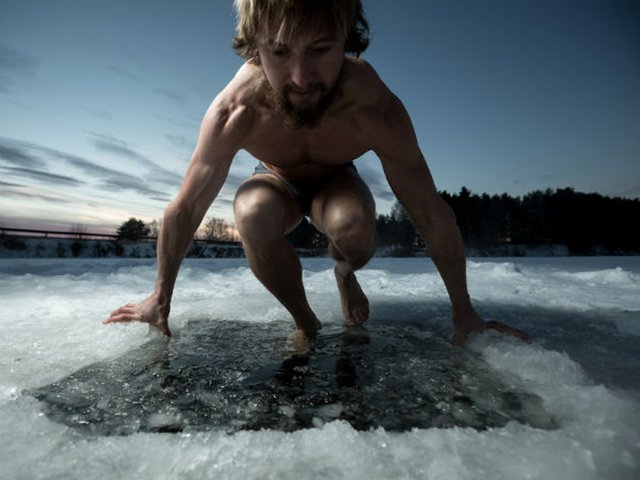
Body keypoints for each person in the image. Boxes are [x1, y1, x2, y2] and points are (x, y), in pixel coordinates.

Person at [104, 0, 528, 347]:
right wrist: (160, 297)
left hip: (336, 182)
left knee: (354, 227)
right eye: (280, 51)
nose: (301, 78)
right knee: (251, 215)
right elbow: (187, 206)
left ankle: (344, 273)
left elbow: (430, 212)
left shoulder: (374, 108)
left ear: (347, 40)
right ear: (256, 46)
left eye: (321, 50)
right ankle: (306, 322)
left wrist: (464, 313)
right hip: (274, 181)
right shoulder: (236, 109)